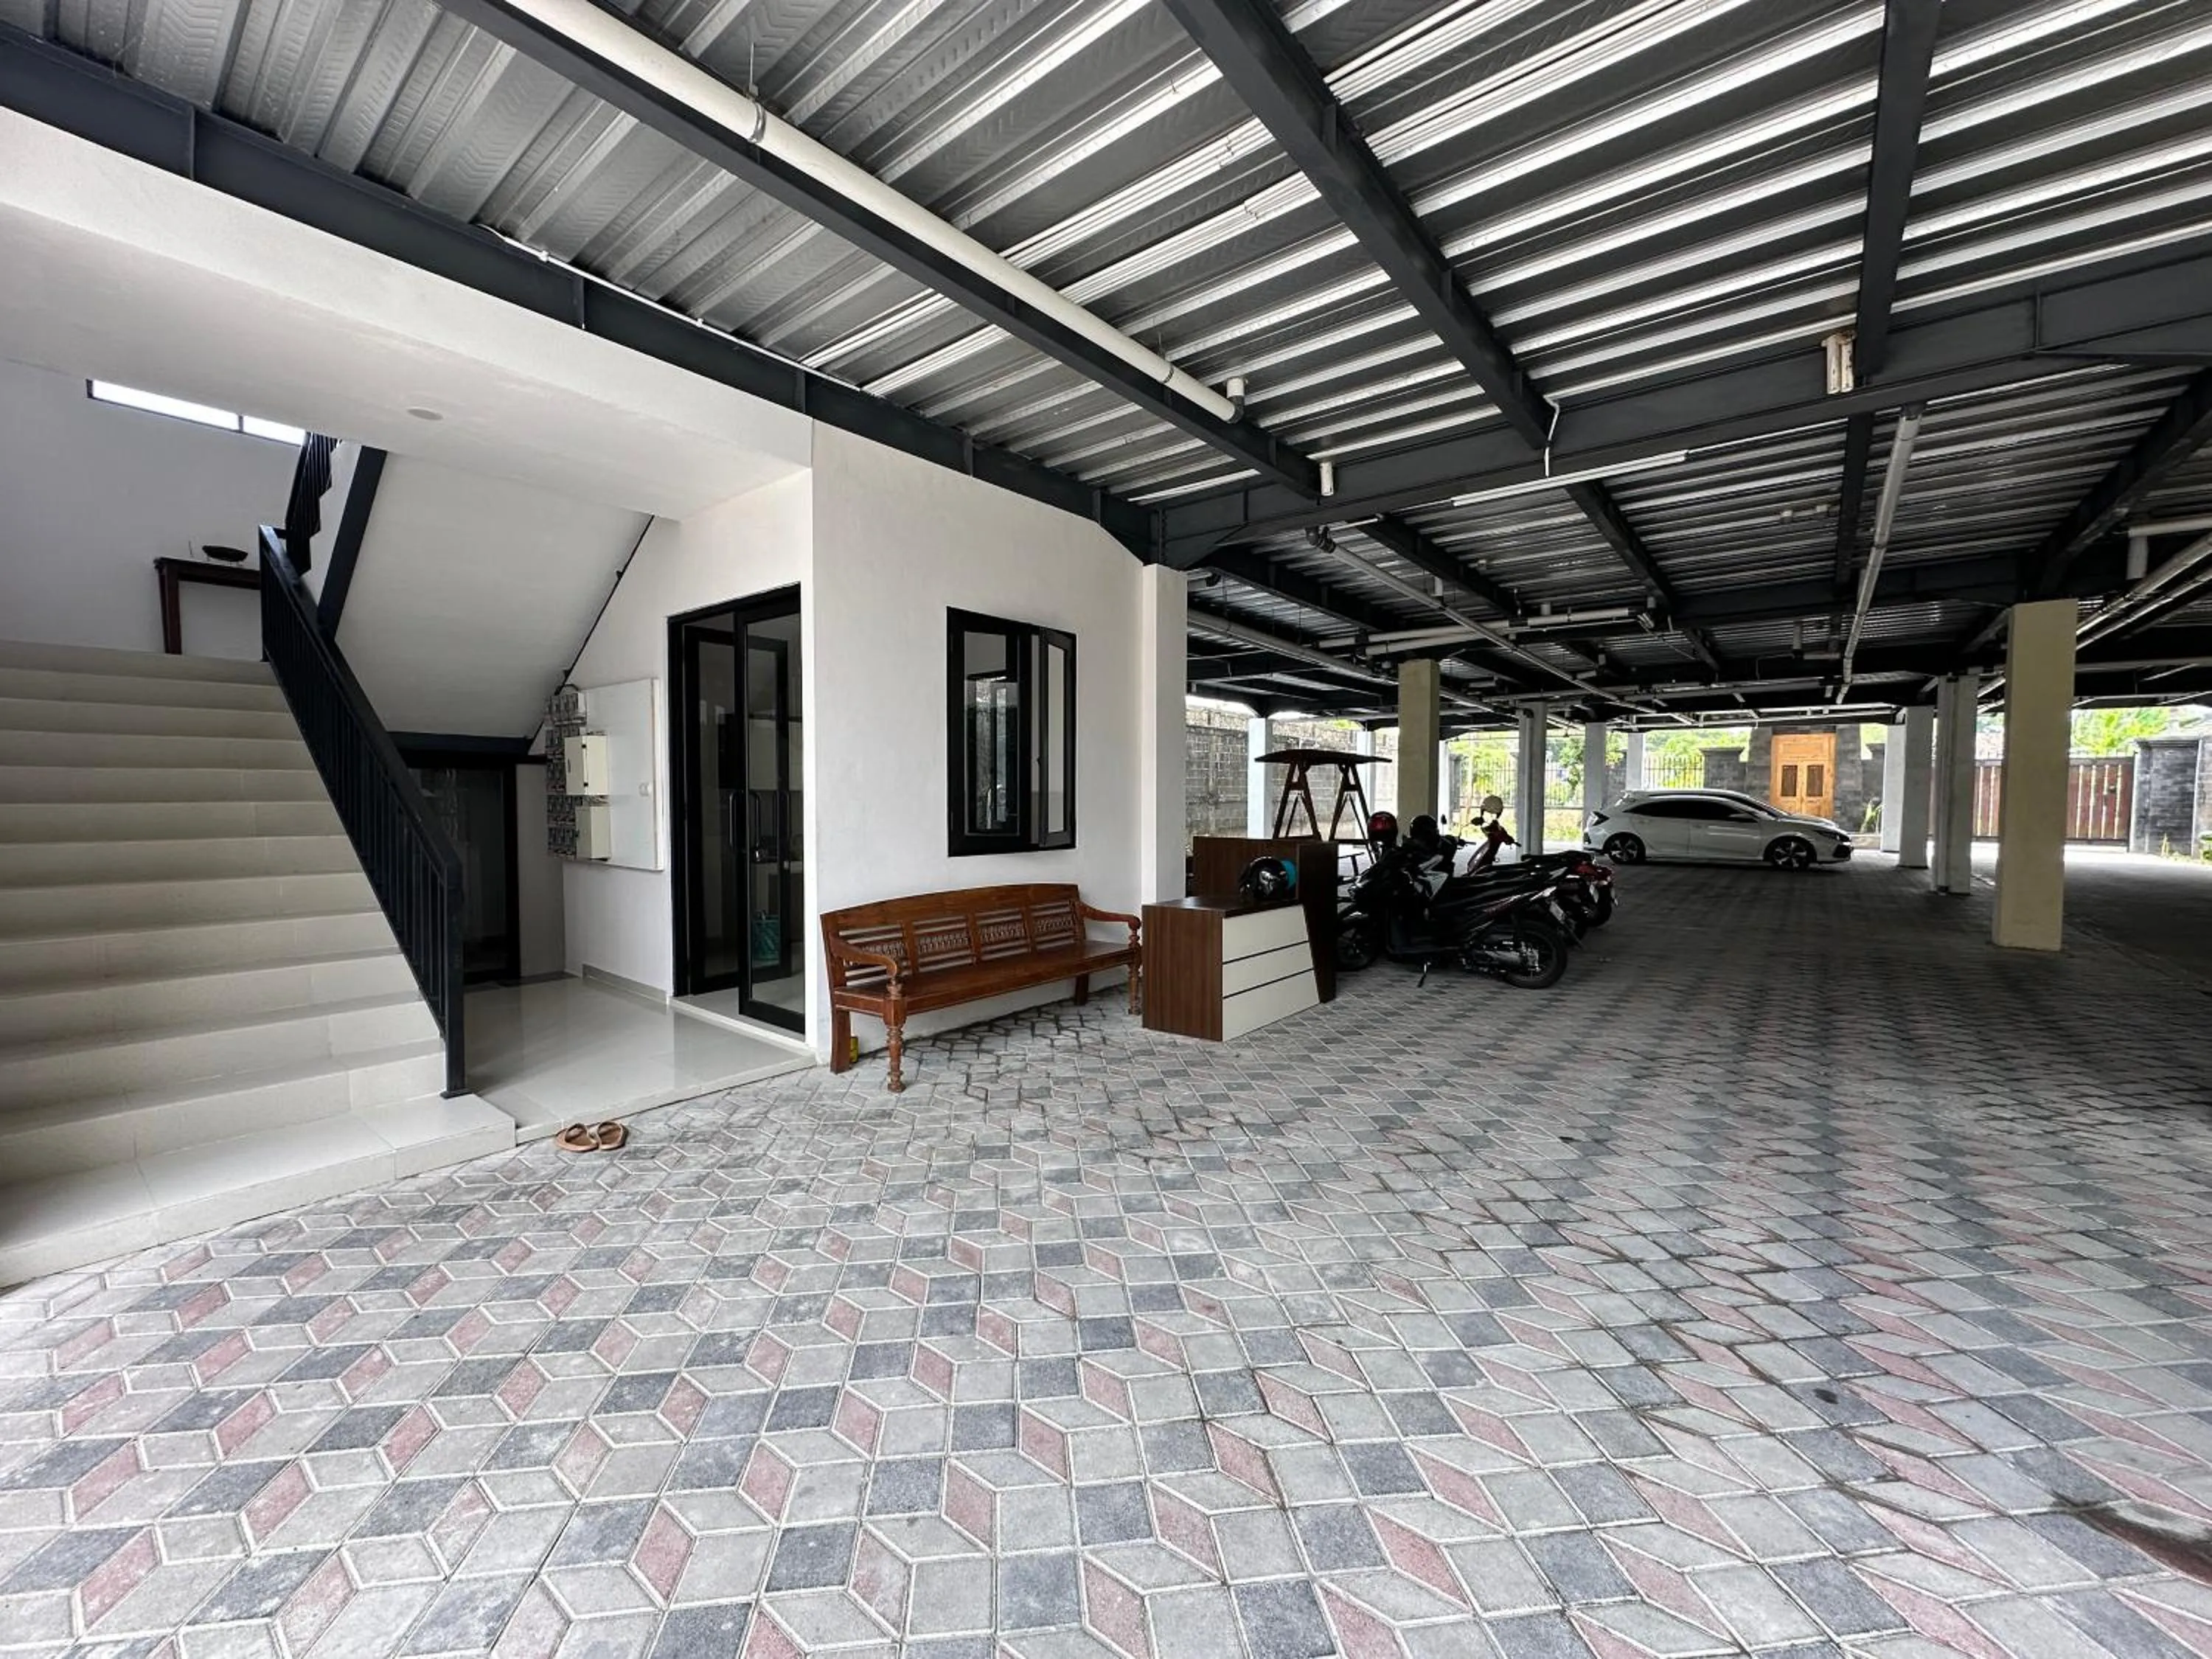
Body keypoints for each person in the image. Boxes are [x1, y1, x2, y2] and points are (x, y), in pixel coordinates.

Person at [1467, 793, 1517, 872]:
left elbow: (1505, 837)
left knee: (1482, 869)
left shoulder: (1497, 828)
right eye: (1487, 813)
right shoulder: (1491, 825)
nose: (1489, 816)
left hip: (1487, 858)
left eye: (1492, 814)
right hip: (1486, 855)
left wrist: (1508, 839)